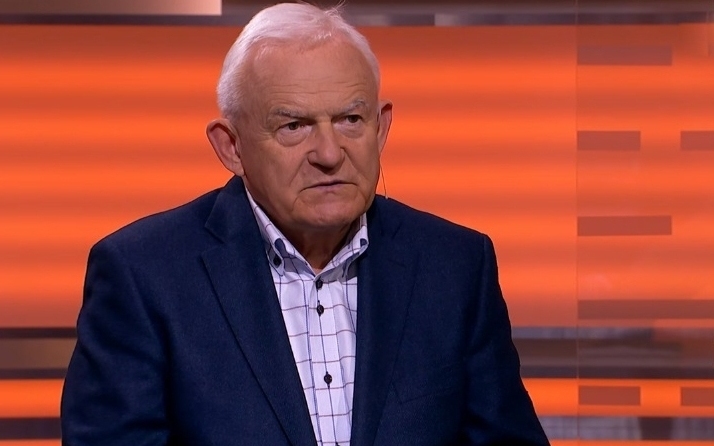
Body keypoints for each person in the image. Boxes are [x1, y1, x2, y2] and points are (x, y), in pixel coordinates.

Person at [61, 3, 549, 445]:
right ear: (231, 146)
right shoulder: (143, 276)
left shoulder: (455, 267)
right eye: (293, 126)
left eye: (350, 120)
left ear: (382, 127)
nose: (330, 154)